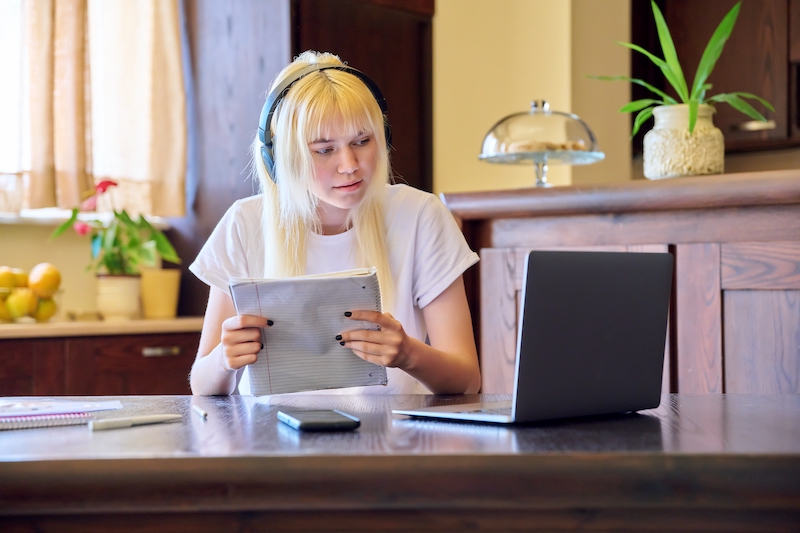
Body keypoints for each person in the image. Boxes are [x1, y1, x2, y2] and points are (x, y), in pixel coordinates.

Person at [188, 51, 480, 396]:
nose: (350, 164)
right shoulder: (245, 222)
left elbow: (468, 382)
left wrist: (408, 354)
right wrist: (224, 359)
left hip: (393, 441)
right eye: (324, 150)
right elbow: (202, 386)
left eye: (362, 141)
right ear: (282, 156)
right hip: (273, 443)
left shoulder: (421, 215)